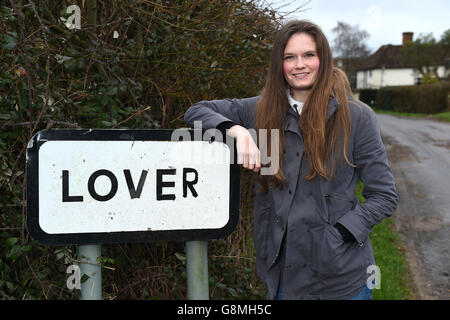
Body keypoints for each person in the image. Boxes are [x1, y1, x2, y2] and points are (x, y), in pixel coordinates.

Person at [183, 20, 398, 300]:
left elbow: (384, 196)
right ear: (279, 64)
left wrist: (338, 236)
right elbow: (196, 111)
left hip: (341, 278)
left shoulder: (357, 117)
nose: (300, 65)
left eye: (309, 55)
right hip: (283, 276)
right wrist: (235, 130)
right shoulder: (260, 110)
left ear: (323, 58)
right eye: (289, 57)